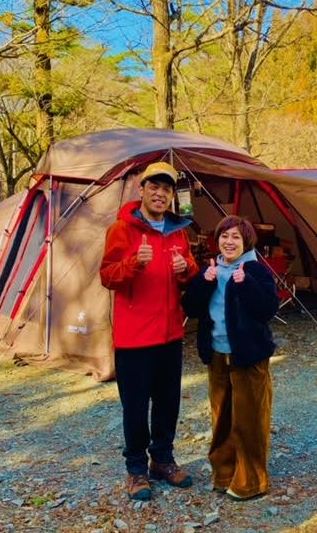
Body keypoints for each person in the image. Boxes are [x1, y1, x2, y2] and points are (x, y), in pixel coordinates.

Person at [100, 161, 199, 501]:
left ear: (172, 195)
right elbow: (107, 276)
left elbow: (190, 273)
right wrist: (134, 264)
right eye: (154, 187)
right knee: (135, 407)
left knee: (168, 403)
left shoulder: (178, 231)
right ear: (141, 190)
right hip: (134, 338)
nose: (160, 194)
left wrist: (187, 268)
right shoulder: (121, 230)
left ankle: (163, 460)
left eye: (166, 189)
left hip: (170, 334)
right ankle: (136, 470)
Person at [182, 215, 279, 501]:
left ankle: (251, 481)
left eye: (236, 236)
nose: (229, 241)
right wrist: (204, 282)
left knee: (249, 420)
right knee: (221, 416)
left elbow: (268, 310)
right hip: (216, 353)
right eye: (224, 236)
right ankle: (223, 473)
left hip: (248, 356)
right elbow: (189, 307)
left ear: (246, 241)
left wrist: (247, 284)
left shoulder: (256, 270)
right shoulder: (211, 269)